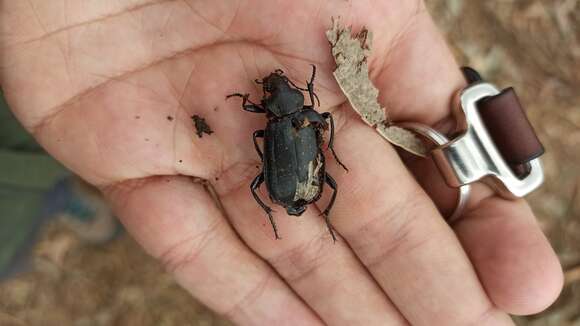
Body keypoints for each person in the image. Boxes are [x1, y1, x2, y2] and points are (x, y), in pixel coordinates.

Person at [0, 1, 563, 324]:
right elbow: (309, 133)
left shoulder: (275, 120)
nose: (276, 92)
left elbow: (287, 131)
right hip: (293, 179)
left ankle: (39, 183)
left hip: (288, 179)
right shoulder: (294, 118)